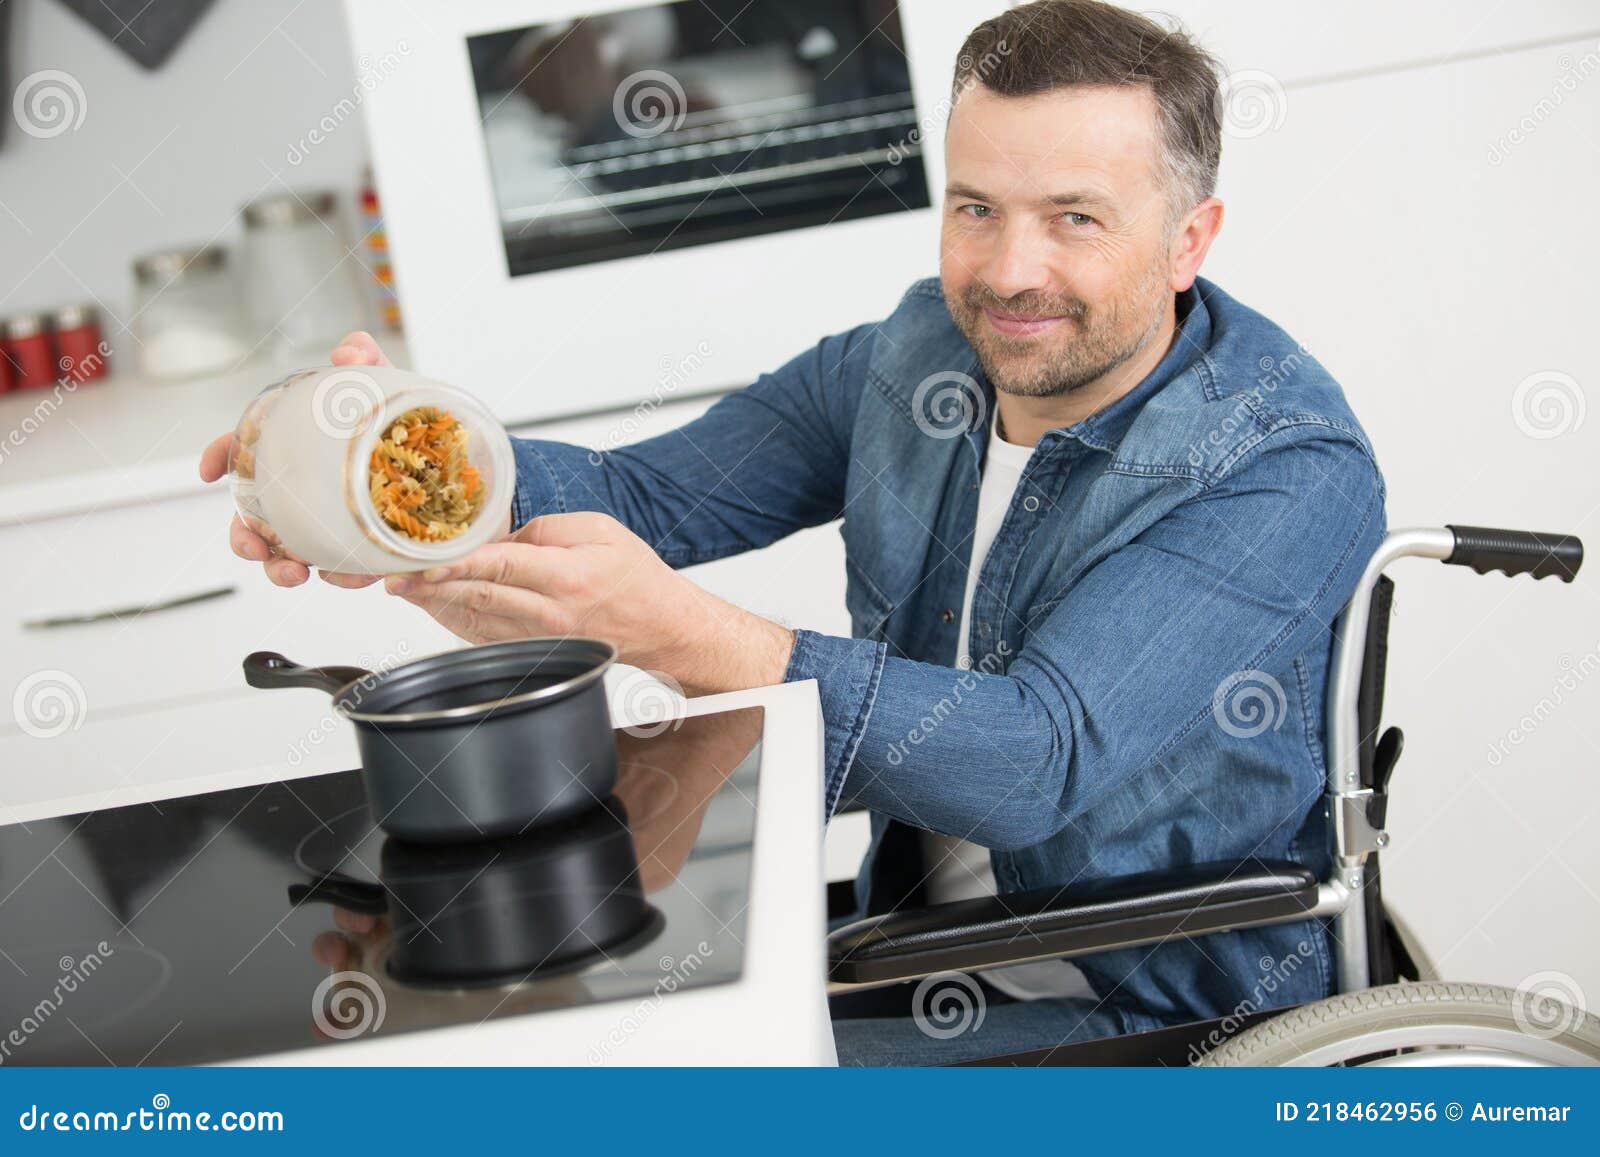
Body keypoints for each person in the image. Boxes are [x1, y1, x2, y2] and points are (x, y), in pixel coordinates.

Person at [200, 0, 1385, 1064]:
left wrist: (685, 633)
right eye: (978, 208)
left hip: (1156, 1010)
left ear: (1190, 238)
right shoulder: (918, 357)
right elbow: (650, 499)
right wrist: (385, 465)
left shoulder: (1278, 466)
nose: (1011, 270)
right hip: (916, 947)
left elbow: (1035, 762)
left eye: (1075, 217)